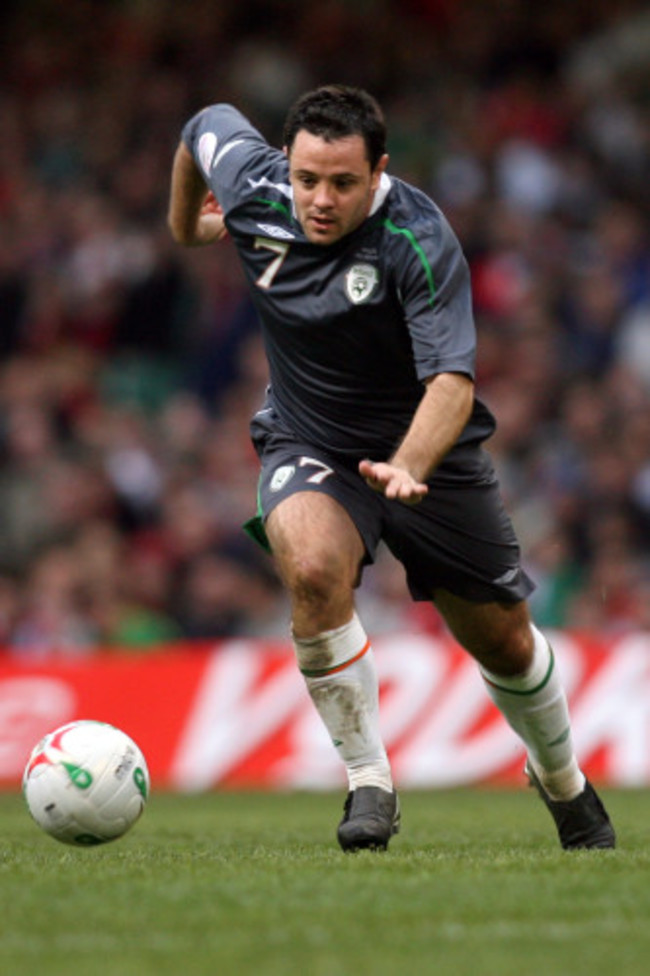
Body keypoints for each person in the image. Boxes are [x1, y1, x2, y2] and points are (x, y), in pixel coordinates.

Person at [168, 84, 615, 852]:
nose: (320, 199)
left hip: (427, 454)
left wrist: (408, 465)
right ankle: (369, 782)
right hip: (309, 439)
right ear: (285, 162)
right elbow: (200, 126)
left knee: (505, 643)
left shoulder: (418, 237)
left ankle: (561, 776)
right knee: (312, 568)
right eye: (307, 179)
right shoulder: (253, 183)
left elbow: (452, 384)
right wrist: (187, 227)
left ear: (379, 172)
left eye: (343, 182)